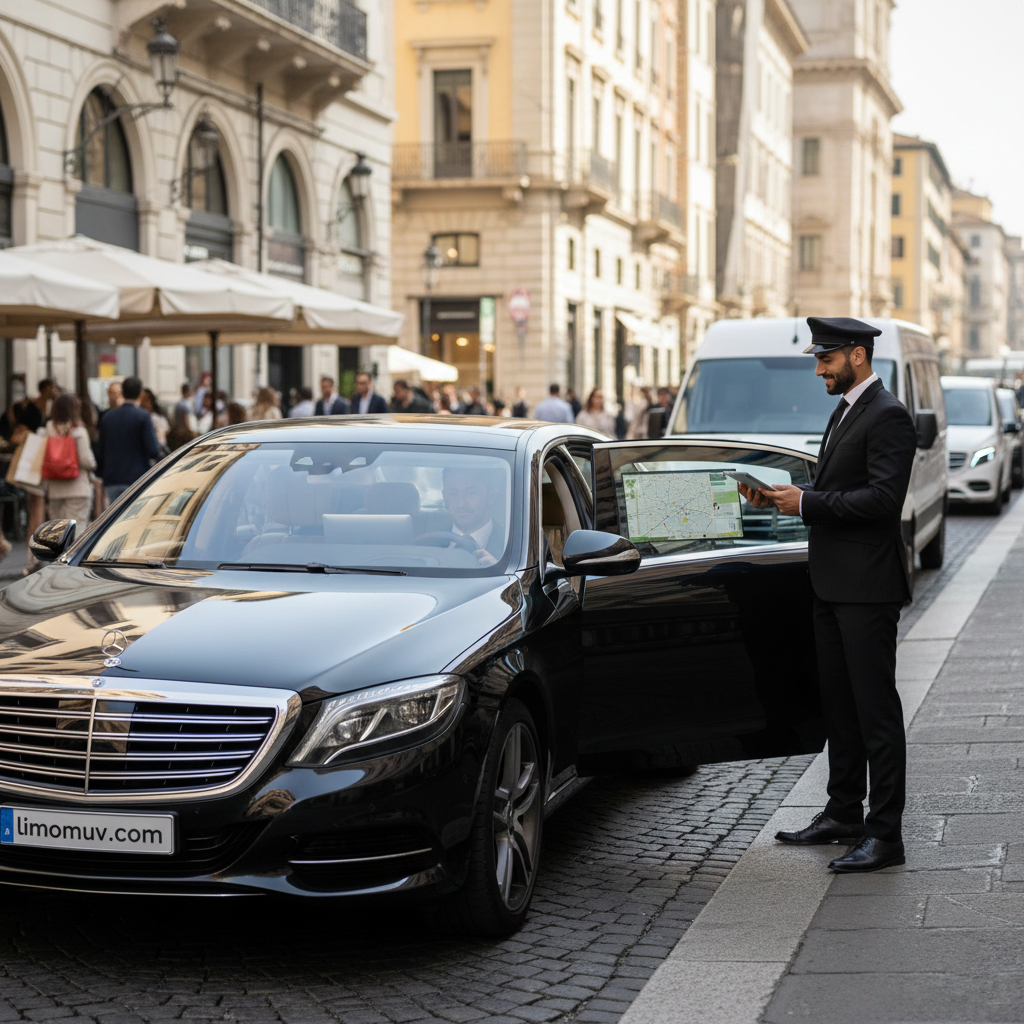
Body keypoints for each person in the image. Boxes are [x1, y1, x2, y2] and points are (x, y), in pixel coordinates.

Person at [741, 316, 917, 874]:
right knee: (840, 710)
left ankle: (885, 835)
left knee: (875, 714)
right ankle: (844, 813)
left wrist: (808, 505)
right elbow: (843, 490)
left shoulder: (887, 415)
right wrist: (782, 499)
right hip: (833, 582)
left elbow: (884, 501)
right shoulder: (847, 409)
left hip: (867, 587)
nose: (819, 369)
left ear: (858, 356)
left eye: (827, 359)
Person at [96, 375, 162, 505]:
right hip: (137, 478)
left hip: (112, 478)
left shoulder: (107, 417)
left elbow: (100, 450)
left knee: (115, 520)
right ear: (139, 393)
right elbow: (153, 450)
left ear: (123, 392)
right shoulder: (143, 417)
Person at [41, 392, 95, 529]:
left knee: (59, 534)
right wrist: (94, 465)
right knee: (76, 533)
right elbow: (86, 460)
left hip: (54, 490)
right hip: (77, 489)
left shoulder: (48, 429)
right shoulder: (79, 431)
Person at [441, 467, 505, 565]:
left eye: (471, 493)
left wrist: (499, 568)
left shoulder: (515, 546)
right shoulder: (426, 545)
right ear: (445, 497)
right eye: (453, 493)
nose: (461, 503)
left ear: (491, 496)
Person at [140, 388, 170, 452]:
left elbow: (161, 440)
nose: (142, 403)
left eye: (145, 400)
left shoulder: (157, 419)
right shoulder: (139, 417)